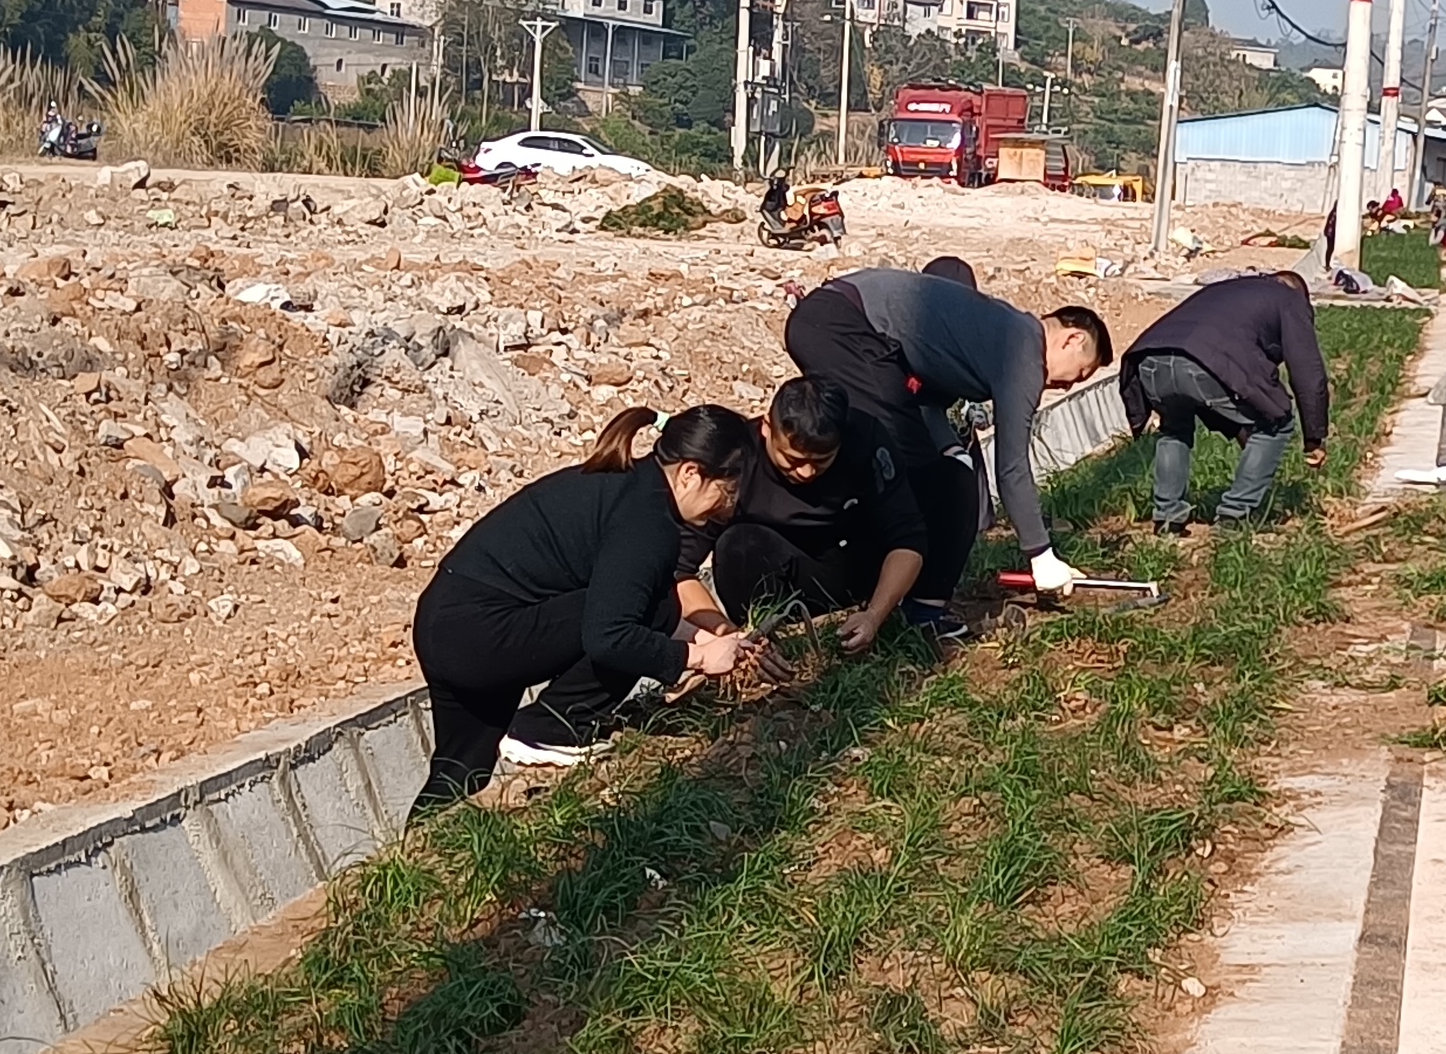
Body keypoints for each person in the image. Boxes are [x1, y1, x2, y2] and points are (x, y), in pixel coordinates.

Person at [410, 405, 762, 804]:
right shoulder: (647, 523)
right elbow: (610, 635)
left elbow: (622, 602)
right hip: (482, 633)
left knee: (460, 771)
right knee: (653, 605)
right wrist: (697, 658)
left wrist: (713, 641)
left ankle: (421, 838)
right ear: (690, 474)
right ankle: (553, 727)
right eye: (727, 491)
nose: (728, 507)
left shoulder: (626, 485)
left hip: (447, 623)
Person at [777, 265, 1112, 630]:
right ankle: (911, 606)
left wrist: (950, 448)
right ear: (1072, 339)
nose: (1068, 386)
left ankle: (892, 591)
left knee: (923, 468)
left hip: (832, 321)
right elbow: (1012, 466)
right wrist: (1040, 554)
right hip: (843, 325)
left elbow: (926, 396)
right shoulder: (1023, 352)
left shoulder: (1000, 330)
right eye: (1080, 373)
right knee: (937, 484)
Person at [673, 373, 927, 655]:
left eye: (821, 461)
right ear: (767, 428)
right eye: (793, 459)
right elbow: (679, 572)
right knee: (738, 543)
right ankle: (760, 637)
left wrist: (874, 616)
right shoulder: (737, 458)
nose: (806, 472)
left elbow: (908, 540)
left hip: (847, 566)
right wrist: (728, 637)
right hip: (765, 571)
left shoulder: (866, 440)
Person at [1120, 268, 1330, 532]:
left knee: (1174, 430)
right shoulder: (1289, 298)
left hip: (1148, 360)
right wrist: (1314, 437)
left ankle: (1167, 517)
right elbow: (1307, 371)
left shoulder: (1226, 289)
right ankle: (1234, 515)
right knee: (1278, 423)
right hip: (1203, 362)